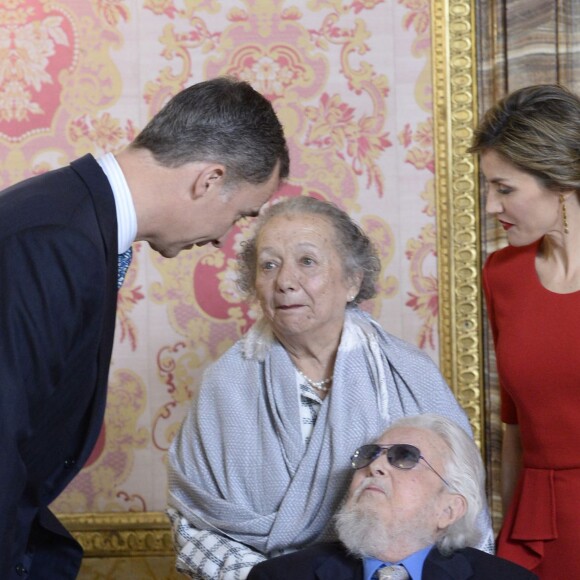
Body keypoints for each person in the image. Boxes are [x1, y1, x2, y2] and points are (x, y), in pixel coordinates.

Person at [0, 76, 289, 579]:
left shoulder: (74, 219)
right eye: (240, 214)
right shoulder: (55, 240)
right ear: (209, 180)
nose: (224, 238)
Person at [167, 196, 494, 579]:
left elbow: (463, 510)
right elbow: (191, 523)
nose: (285, 282)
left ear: (352, 280)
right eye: (269, 265)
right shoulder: (224, 386)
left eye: (307, 262)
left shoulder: (410, 372)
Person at [470, 83, 580, 577]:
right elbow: (512, 422)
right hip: (533, 524)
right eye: (489, 187)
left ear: (561, 182)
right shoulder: (502, 274)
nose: (492, 206)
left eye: (505, 189)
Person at [247, 414, 537, 580]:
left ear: (449, 509)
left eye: (404, 457)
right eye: (370, 454)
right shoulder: (278, 578)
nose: (375, 466)